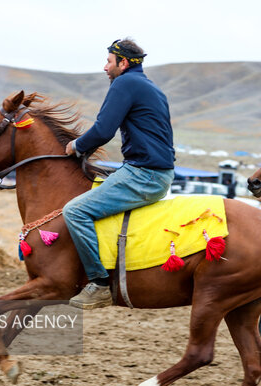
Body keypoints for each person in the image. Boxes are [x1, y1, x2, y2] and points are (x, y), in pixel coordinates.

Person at [63, 38, 175, 309]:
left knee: (75, 211)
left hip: (144, 174)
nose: (105, 68)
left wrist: (76, 146)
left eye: (109, 62)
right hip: (149, 171)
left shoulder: (125, 83)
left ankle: (99, 283)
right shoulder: (149, 87)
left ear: (123, 63)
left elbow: (103, 130)